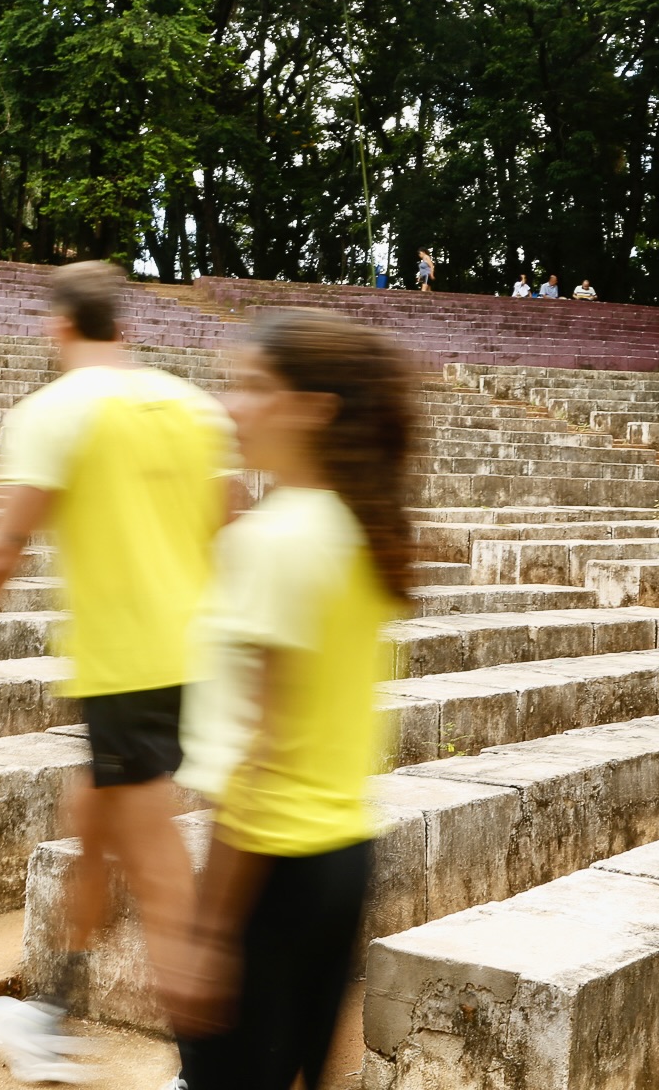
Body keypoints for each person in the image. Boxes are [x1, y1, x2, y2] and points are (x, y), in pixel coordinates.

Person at [0, 261, 234, 1084]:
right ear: (123, 327)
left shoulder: (52, 413)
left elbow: (1, 550)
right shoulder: (192, 406)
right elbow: (229, 525)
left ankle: (207, 1071)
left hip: (125, 667)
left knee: (159, 873)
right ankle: (53, 1012)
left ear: (58, 326)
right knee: (92, 824)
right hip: (193, 660)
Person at [166, 309, 412, 1090]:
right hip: (342, 863)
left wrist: (208, 930)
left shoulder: (274, 540)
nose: (229, 406)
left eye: (253, 387)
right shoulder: (353, 525)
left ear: (313, 409)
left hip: (269, 872)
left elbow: (260, 755)